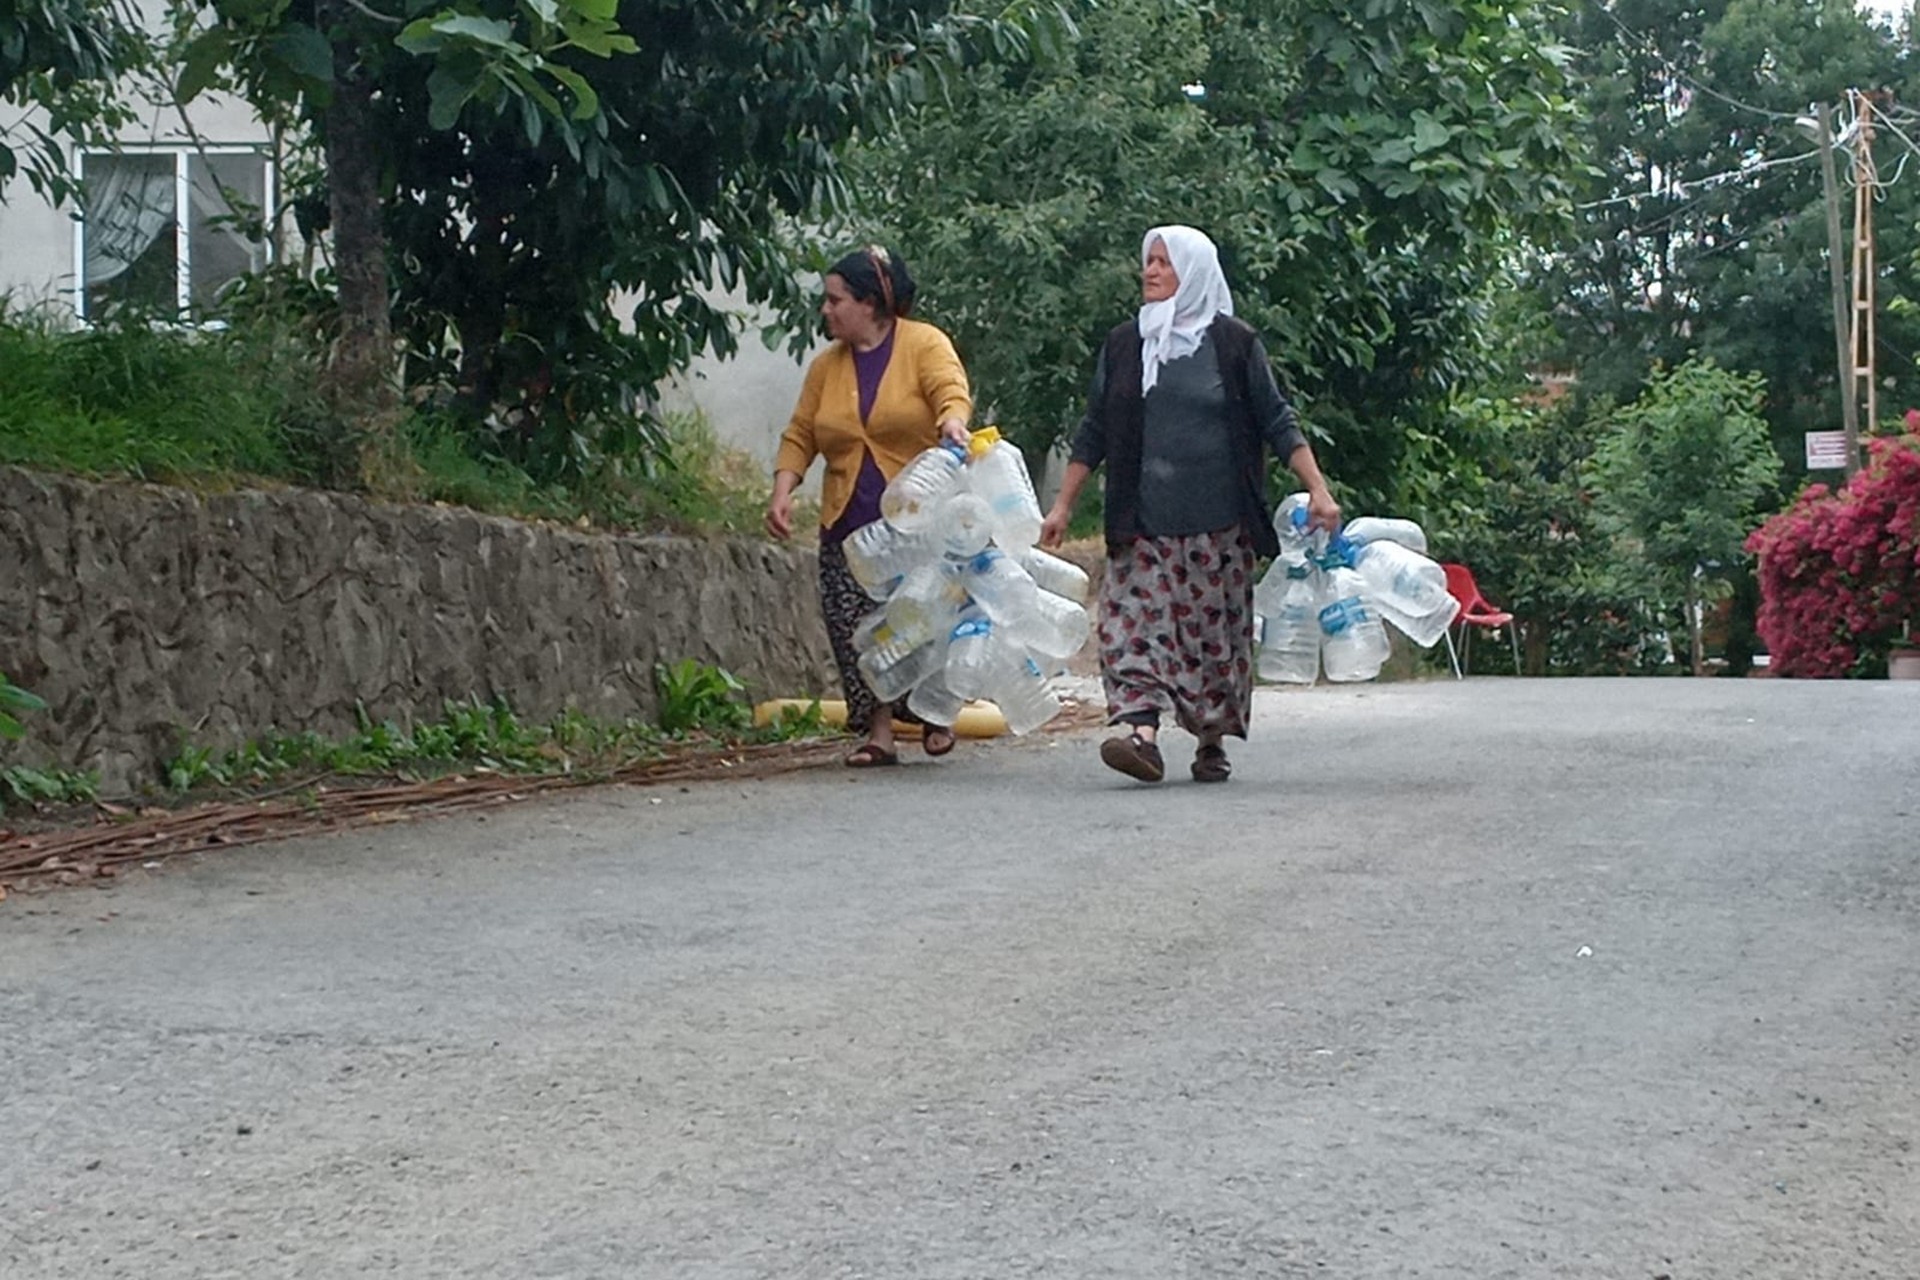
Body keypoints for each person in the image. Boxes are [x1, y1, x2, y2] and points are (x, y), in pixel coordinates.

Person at [1039, 225, 1340, 784]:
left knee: (1211, 643)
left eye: (1163, 262)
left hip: (1219, 527)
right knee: (1131, 627)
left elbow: (1277, 420)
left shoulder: (1233, 343)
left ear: (1194, 272)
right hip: (1143, 524)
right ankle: (1142, 736)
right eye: (1148, 261)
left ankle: (1209, 740)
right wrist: (1061, 506)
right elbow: (1095, 429)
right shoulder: (1126, 344)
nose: (1150, 271)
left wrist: (1318, 489)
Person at [767, 245, 973, 768]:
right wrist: (784, 490)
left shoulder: (923, 344)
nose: (826, 310)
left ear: (868, 303)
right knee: (858, 628)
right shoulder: (825, 368)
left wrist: (951, 421)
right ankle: (879, 733)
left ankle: (935, 712)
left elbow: (950, 390)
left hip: (916, 518)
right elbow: (801, 434)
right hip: (848, 523)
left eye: (835, 300)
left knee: (922, 619)